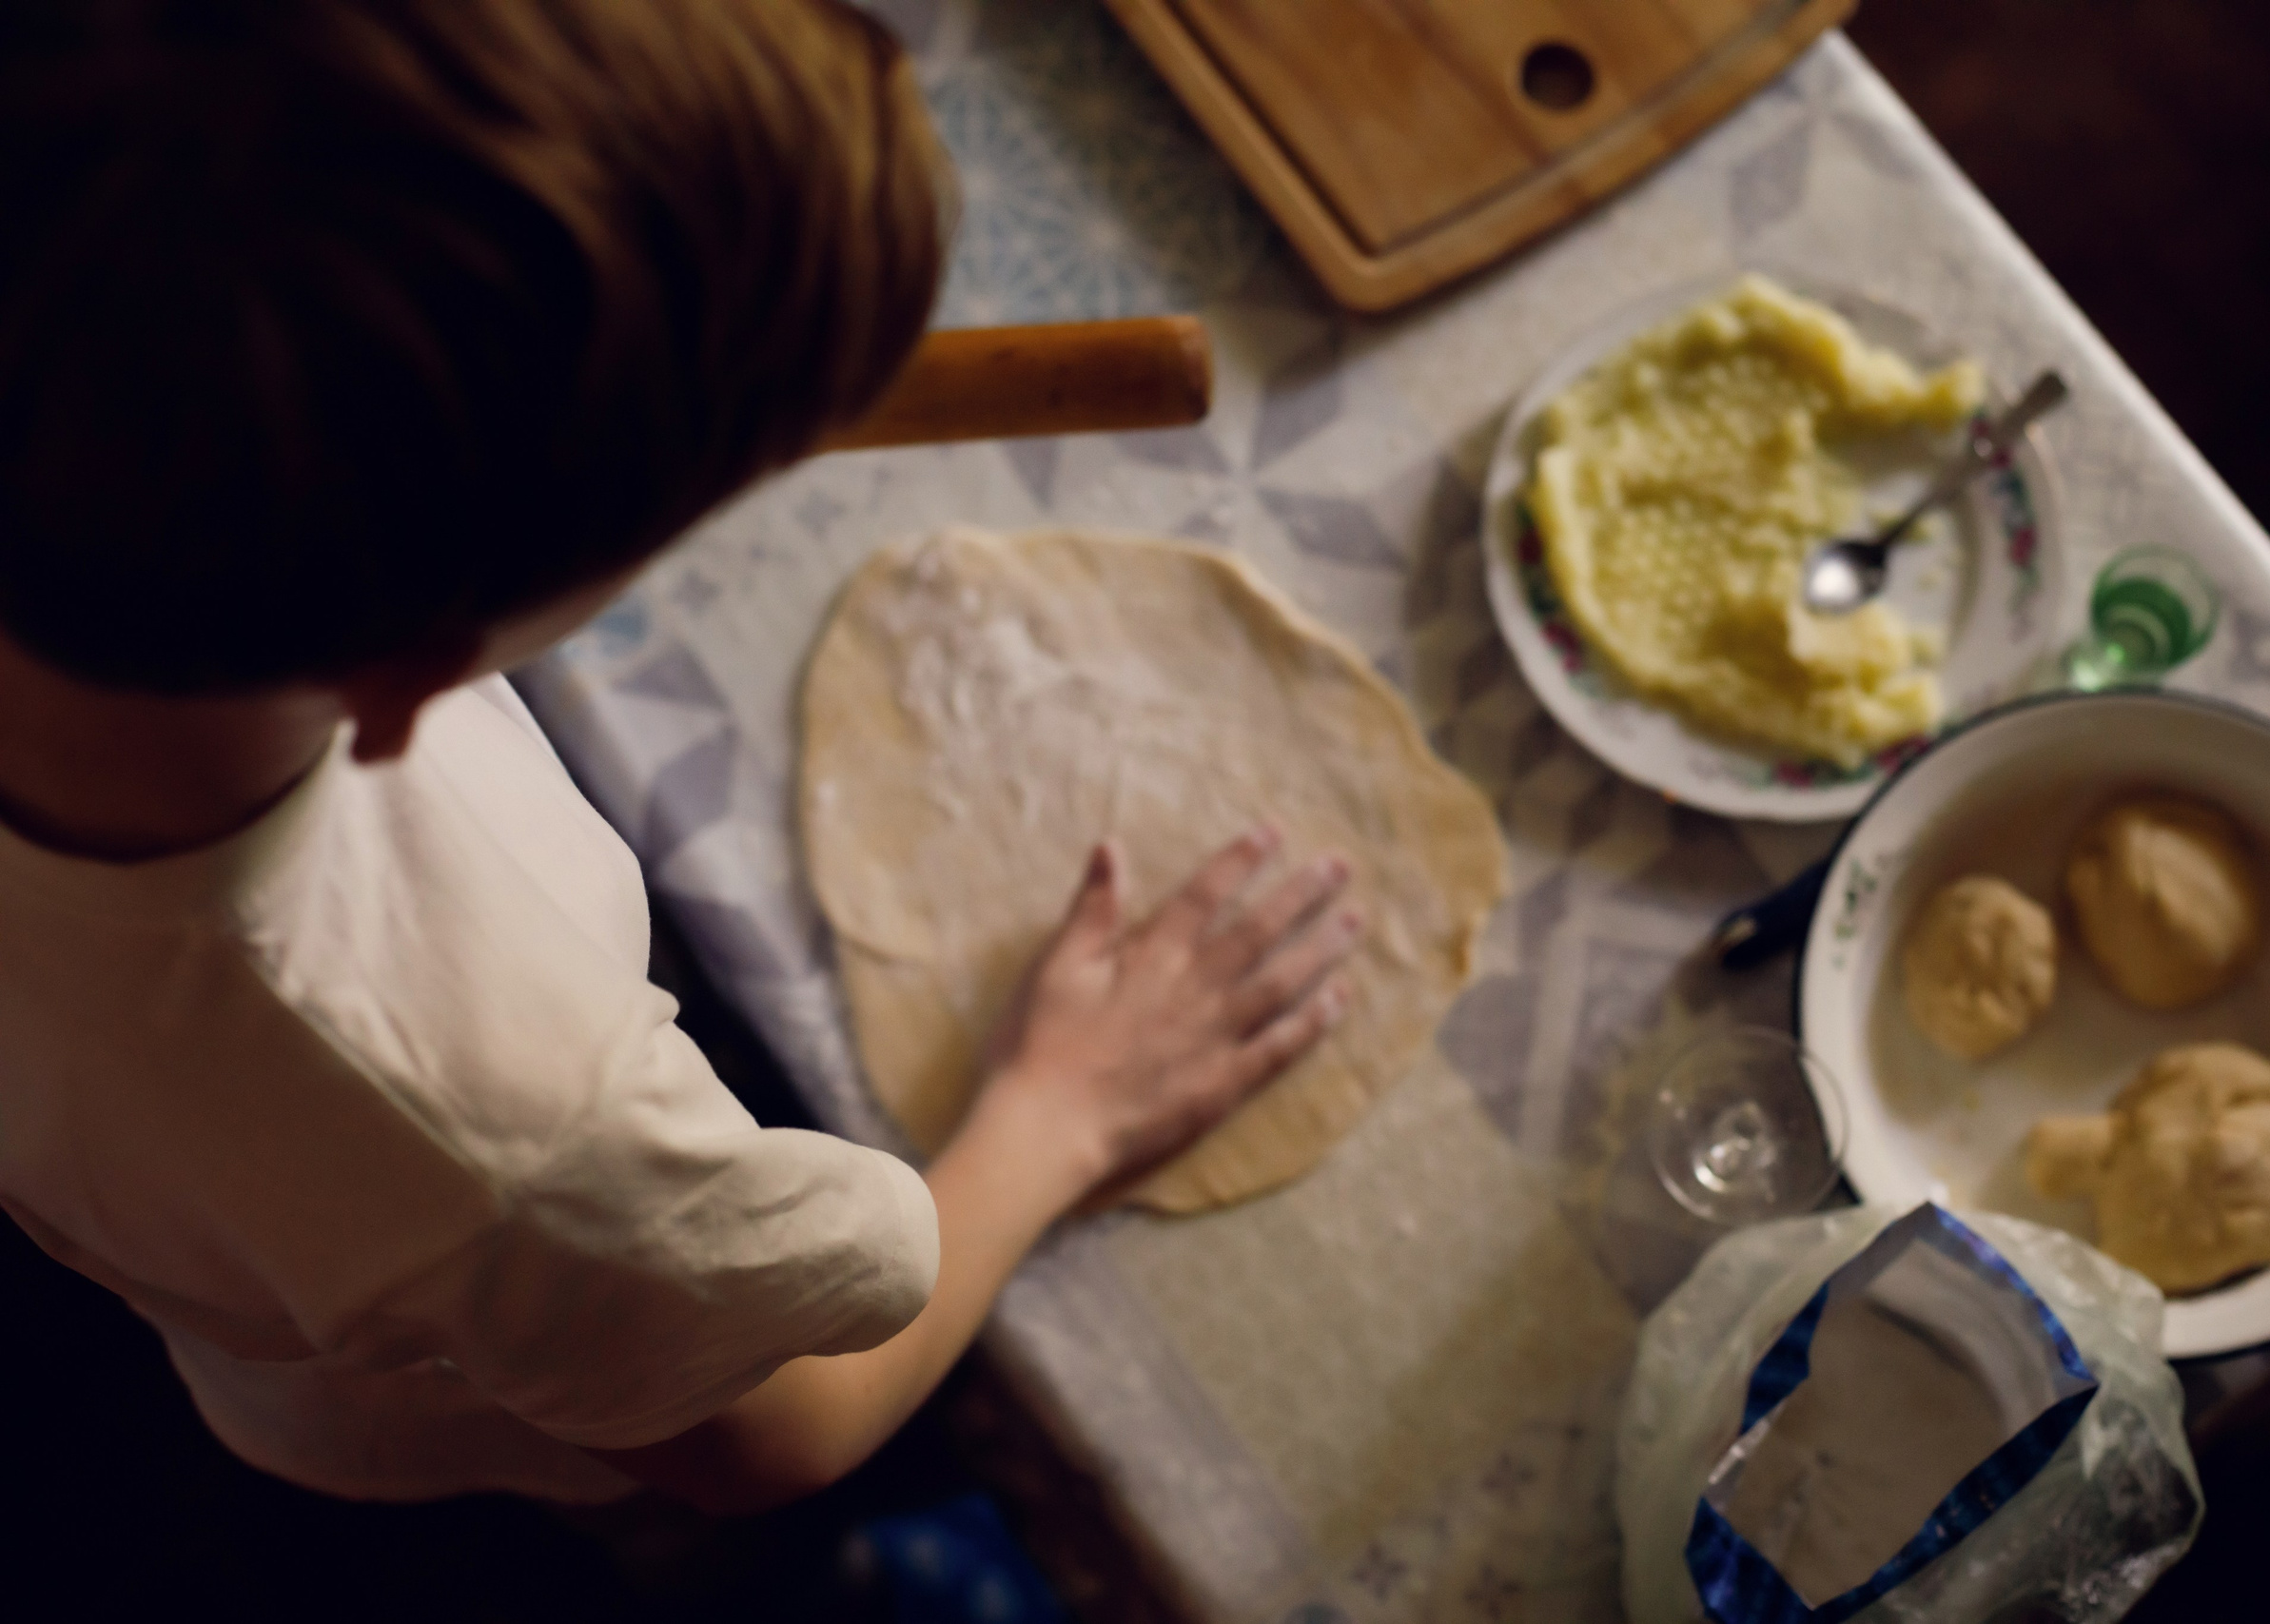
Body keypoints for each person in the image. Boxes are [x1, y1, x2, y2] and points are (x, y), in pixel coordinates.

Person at [0, 0, 1359, 1515]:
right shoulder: (507, 1132)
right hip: (449, 1343)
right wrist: (1060, 1113)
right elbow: (782, 1432)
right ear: (414, 680)